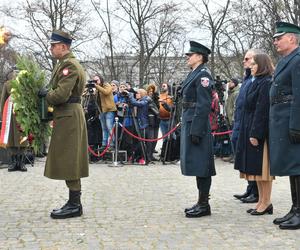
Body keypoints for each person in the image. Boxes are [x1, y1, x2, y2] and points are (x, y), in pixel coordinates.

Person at [38, 30, 89, 219]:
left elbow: (60, 94)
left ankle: (75, 204)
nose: (51, 48)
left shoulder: (69, 65)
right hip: (67, 115)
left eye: (53, 45)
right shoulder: (64, 64)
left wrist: (46, 96)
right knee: (70, 158)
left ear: (63, 46)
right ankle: (74, 202)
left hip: (68, 114)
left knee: (70, 158)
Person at [234, 53, 274, 215]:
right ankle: (261, 201)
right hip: (249, 127)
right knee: (256, 170)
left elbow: (262, 110)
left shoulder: (266, 83)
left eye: (254, 64)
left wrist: (256, 133)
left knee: (264, 171)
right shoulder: (255, 81)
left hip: (259, 131)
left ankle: (266, 202)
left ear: (262, 65)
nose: (251, 66)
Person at [270, 21, 300, 230]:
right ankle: (295, 207)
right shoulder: (285, 61)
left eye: (279, 38)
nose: (275, 42)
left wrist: (296, 125)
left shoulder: (297, 60)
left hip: (292, 119)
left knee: (298, 167)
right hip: (282, 119)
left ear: (292, 38)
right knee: (292, 166)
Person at [180, 41, 215, 218]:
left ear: (200, 57)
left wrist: (197, 129)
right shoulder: (193, 74)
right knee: (197, 164)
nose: (187, 57)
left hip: (196, 123)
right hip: (190, 120)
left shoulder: (203, 75)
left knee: (202, 165)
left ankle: (204, 204)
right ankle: (201, 201)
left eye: (190, 54)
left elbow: (204, 105)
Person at [232, 49, 262, 203]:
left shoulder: (258, 79)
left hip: (249, 123)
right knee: (242, 156)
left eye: (247, 59)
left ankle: (256, 191)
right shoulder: (248, 78)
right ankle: (250, 187)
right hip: (240, 122)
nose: (244, 62)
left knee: (251, 157)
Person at [0, 71, 28, 172]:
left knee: (23, 139)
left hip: (22, 115)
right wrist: (2, 116)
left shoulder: (25, 83)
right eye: (15, 72)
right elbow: (3, 100)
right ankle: (13, 162)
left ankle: (21, 163)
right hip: (10, 116)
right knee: (11, 138)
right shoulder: (7, 84)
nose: (16, 74)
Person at [94, 76, 117, 150]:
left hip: (109, 109)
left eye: (96, 80)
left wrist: (97, 86)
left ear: (100, 79)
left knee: (109, 127)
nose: (95, 81)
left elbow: (106, 92)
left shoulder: (106, 85)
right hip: (101, 110)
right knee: (104, 128)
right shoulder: (97, 88)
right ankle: (104, 144)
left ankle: (111, 144)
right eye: (94, 80)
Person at [222, 78, 240, 163]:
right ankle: (232, 154)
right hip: (228, 119)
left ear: (235, 84)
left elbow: (236, 107)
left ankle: (237, 156)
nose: (229, 83)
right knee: (231, 138)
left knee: (234, 138)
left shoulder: (236, 93)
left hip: (234, 120)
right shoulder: (229, 93)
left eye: (231, 82)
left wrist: (233, 119)